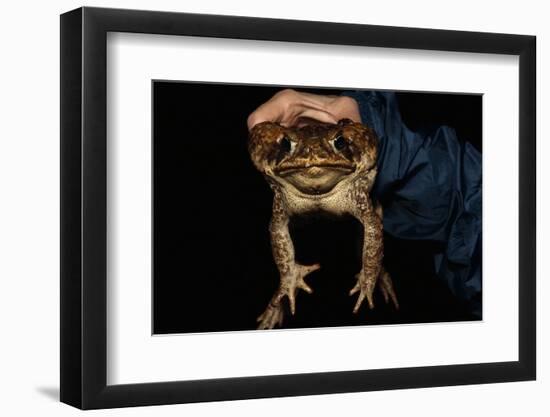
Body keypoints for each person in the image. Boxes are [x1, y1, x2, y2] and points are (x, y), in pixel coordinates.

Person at [247, 89, 482, 317]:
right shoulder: (281, 186)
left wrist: (370, 272)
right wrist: (287, 274)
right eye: (288, 144)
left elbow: (371, 225)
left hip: (348, 183)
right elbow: (278, 227)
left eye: (339, 142)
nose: (313, 157)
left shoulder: (355, 185)